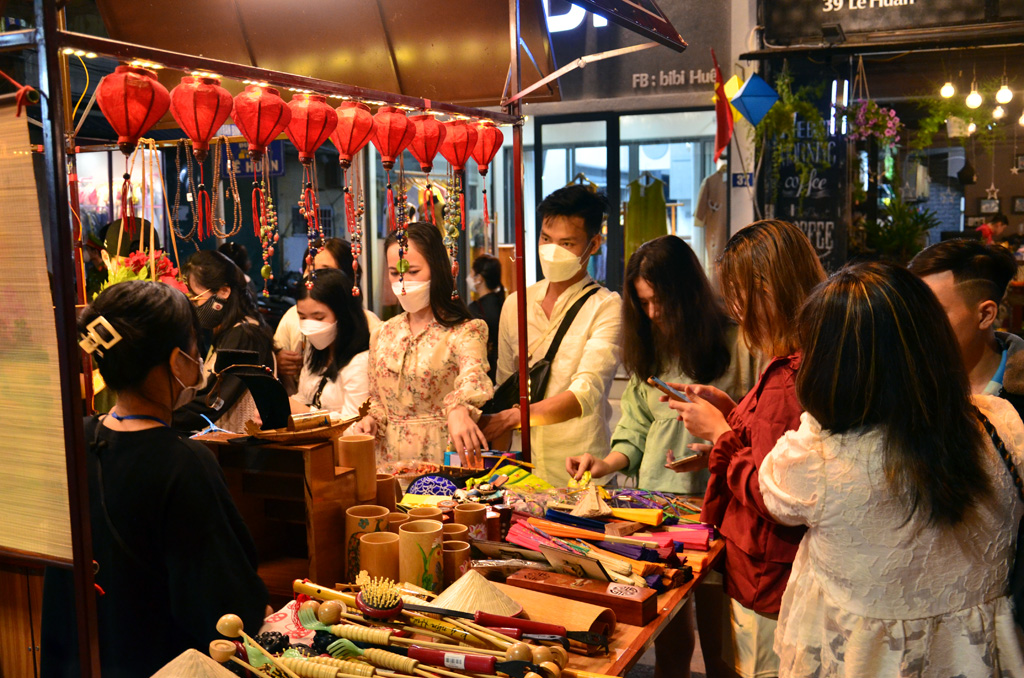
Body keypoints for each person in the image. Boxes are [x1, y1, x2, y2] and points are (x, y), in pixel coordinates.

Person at [759, 261, 1024, 676]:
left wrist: (819, 413)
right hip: (978, 655)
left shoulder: (816, 457)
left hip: (865, 660)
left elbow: (773, 495)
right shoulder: (1001, 421)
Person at [41, 281, 268, 678]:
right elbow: (226, 608)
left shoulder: (72, 441)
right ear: (179, 361)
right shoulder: (185, 463)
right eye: (195, 346)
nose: (199, 359)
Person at [565, 235, 758, 678]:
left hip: (719, 511)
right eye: (643, 304)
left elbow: (757, 434)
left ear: (688, 295)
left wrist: (717, 446)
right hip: (657, 514)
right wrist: (604, 463)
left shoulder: (739, 345)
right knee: (666, 631)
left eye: (661, 303)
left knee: (722, 642)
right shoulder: (654, 350)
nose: (653, 315)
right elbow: (634, 433)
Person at [666, 219, 825, 678]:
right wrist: (732, 411)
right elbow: (775, 447)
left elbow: (774, 494)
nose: (735, 308)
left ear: (766, 288)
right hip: (776, 569)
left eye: (738, 293)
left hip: (767, 573)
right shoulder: (806, 358)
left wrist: (720, 433)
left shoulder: (787, 375)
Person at [483, 185, 623, 484]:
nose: (552, 250)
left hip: (583, 476)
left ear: (594, 243)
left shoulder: (607, 307)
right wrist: (494, 469)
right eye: (546, 239)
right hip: (524, 477)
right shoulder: (516, 303)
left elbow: (585, 393)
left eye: (567, 243)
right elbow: (505, 389)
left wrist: (511, 418)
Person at [348, 222, 493, 467]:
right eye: (395, 273)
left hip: (442, 457)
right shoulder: (382, 333)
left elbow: (474, 378)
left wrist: (458, 408)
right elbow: (377, 400)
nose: (403, 283)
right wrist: (372, 420)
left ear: (436, 270)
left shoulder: (465, 331)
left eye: (413, 271)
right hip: (388, 461)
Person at [909, 238, 1024, 417]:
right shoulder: (903, 387)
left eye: (933, 312)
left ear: (986, 315)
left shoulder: (1018, 398)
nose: (915, 324)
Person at [173, 250, 275, 433]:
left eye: (196, 298)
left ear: (224, 292)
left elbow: (212, 402)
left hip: (242, 452)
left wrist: (162, 418)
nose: (194, 307)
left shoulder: (245, 335)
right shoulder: (227, 332)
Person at [275, 238, 381, 394]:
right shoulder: (291, 316)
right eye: (310, 269)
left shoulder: (369, 324)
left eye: (325, 270)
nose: (314, 277)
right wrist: (278, 360)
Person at [289, 267, 371, 419]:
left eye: (319, 318)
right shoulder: (314, 351)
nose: (310, 327)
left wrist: (305, 413)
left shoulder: (360, 361)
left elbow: (355, 425)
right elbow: (305, 397)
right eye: (302, 317)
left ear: (343, 314)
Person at [468, 253, 505, 382]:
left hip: (485, 372)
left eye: (472, 274)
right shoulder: (504, 303)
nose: (469, 277)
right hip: (503, 369)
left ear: (479, 279)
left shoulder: (475, 309)